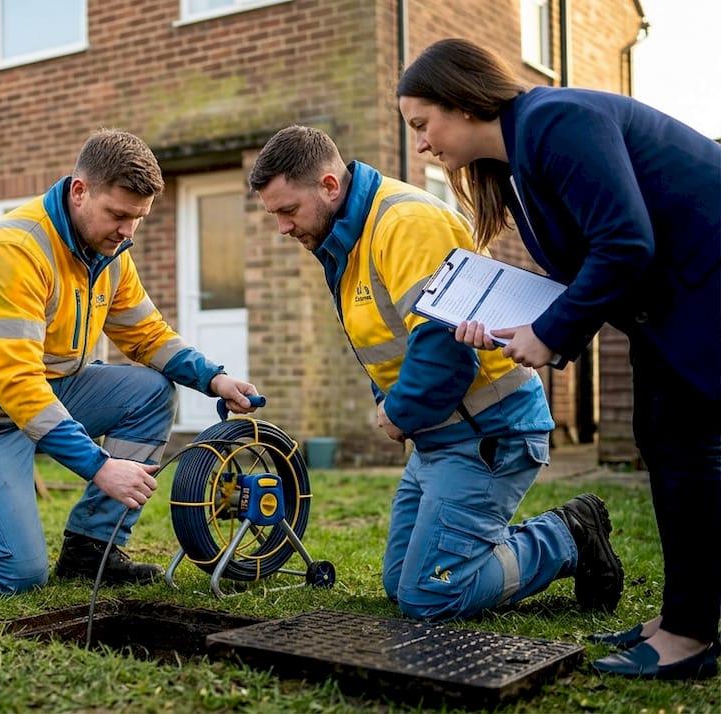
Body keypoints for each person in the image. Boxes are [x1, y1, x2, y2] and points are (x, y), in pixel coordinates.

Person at [397, 37, 721, 681]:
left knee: (688, 451)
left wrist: (549, 334)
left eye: (422, 124)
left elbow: (625, 242)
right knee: (659, 439)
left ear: (461, 102)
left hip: (704, 284)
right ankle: (684, 616)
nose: (422, 144)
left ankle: (691, 634)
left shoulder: (556, 119)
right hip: (671, 304)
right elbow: (592, 266)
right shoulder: (518, 164)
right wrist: (524, 325)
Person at [248, 124, 624, 624]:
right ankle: (496, 549)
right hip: (441, 436)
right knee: (399, 582)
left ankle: (568, 534)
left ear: (329, 186)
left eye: (287, 211)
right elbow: (386, 336)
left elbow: (446, 352)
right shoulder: (348, 236)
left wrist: (398, 414)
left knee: (431, 596)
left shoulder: (404, 223)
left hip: (488, 432)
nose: (283, 228)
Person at [0, 128, 260, 595]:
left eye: (137, 219)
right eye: (117, 214)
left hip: (47, 392)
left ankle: (92, 549)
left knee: (151, 392)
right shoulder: (12, 253)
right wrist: (101, 466)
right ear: (79, 191)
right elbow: (17, 385)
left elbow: (145, 333)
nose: (126, 231)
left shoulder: (108, 251)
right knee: (14, 575)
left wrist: (213, 379)